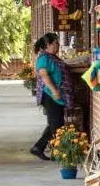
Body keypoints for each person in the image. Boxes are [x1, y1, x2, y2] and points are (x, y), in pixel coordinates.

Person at [30, 32, 71, 161]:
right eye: (56, 43)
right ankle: (56, 151)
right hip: (50, 95)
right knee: (56, 124)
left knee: (55, 123)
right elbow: (44, 75)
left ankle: (39, 148)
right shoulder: (44, 58)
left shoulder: (51, 57)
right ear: (48, 45)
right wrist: (54, 90)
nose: (58, 46)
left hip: (56, 95)